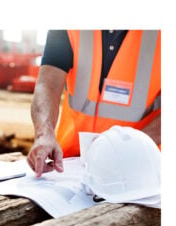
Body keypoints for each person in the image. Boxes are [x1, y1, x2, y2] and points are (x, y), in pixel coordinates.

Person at [27, 30, 161, 178]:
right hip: (72, 165)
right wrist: (43, 134)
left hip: (141, 168)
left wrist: (130, 146)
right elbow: (48, 84)